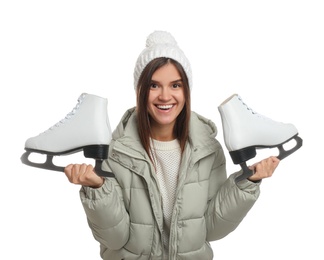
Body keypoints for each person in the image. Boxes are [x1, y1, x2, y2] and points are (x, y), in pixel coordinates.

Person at [64, 30, 280, 260]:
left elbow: (212, 228)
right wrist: (98, 189)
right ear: (140, 90)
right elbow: (114, 239)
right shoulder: (115, 152)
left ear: (187, 90)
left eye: (175, 85)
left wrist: (248, 182)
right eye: (154, 86)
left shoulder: (208, 150)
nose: (165, 96)